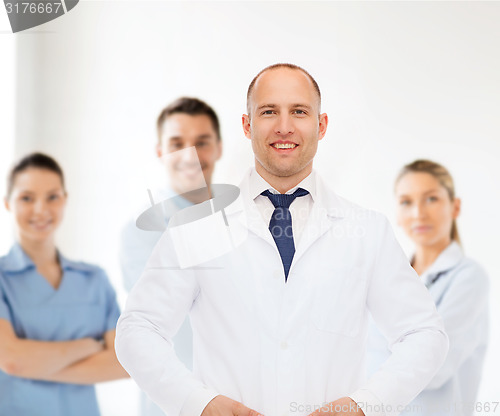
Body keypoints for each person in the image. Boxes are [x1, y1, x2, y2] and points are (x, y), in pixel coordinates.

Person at [115, 64, 449, 416]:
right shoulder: (195, 228)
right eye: (269, 111)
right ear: (247, 125)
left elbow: (425, 335)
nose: (284, 126)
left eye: (299, 112)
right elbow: (138, 330)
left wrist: (365, 405)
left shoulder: (367, 230)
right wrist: (198, 403)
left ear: (321, 126)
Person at [0, 152, 129, 416]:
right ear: (8, 204)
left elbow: (124, 362)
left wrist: (34, 365)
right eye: (27, 198)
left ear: (65, 200)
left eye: (52, 196)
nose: (41, 209)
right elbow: (12, 360)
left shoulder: (94, 279)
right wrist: (89, 346)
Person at [119, 97, 223, 415]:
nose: (190, 154)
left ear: (218, 147)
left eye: (201, 142)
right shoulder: (143, 231)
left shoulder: (246, 218)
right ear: (160, 151)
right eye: (177, 143)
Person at [367, 160, 489, 416]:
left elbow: (431, 368)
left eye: (431, 199)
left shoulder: (469, 278)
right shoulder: (385, 275)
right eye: (406, 202)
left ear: (455, 206)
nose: (418, 213)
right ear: (397, 215)